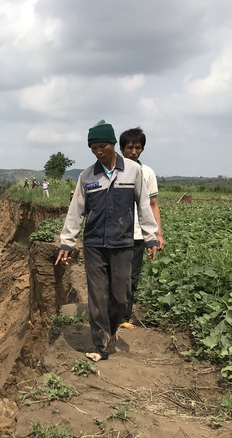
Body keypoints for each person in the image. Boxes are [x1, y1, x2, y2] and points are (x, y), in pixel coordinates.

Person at [55, 120, 158, 362]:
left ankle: (111, 330)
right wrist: (67, 243)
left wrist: (151, 237)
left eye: (102, 146)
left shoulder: (133, 171)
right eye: (93, 148)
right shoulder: (86, 176)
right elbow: (75, 211)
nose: (98, 152)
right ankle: (101, 344)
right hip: (94, 245)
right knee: (98, 296)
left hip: (123, 244)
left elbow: (144, 207)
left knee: (120, 296)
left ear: (113, 145)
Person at [119, 127, 164, 329]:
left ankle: (124, 316)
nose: (134, 151)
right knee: (116, 275)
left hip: (138, 233)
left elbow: (153, 204)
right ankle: (113, 312)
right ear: (121, 149)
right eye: (130, 147)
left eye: (138, 148)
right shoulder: (114, 170)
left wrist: (157, 233)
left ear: (142, 149)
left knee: (132, 277)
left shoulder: (147, 173)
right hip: (117, 233)